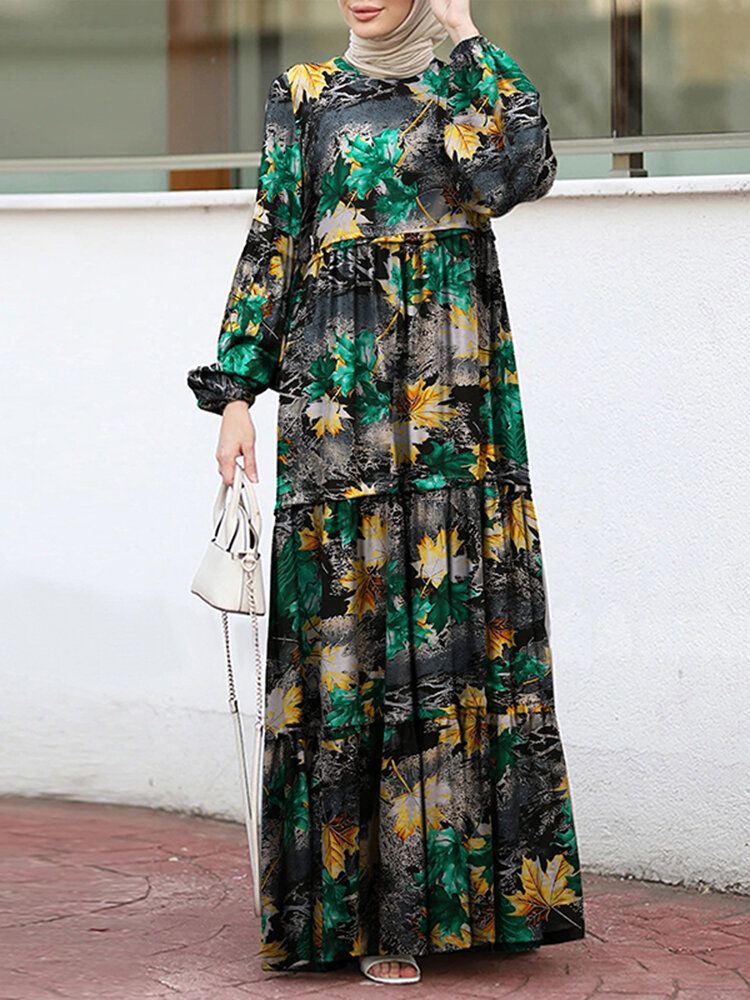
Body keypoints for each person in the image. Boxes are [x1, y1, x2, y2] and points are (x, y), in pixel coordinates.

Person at [187, 0, 586, 984]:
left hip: (454, 418)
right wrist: (238, 388)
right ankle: (370, 920)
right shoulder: (306, 99)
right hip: (339, 419)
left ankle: (460, 909)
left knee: (450, 644)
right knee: (352, 647)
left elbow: (522, 168)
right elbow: (276, 237)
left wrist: (465, 35)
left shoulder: (458, 89)